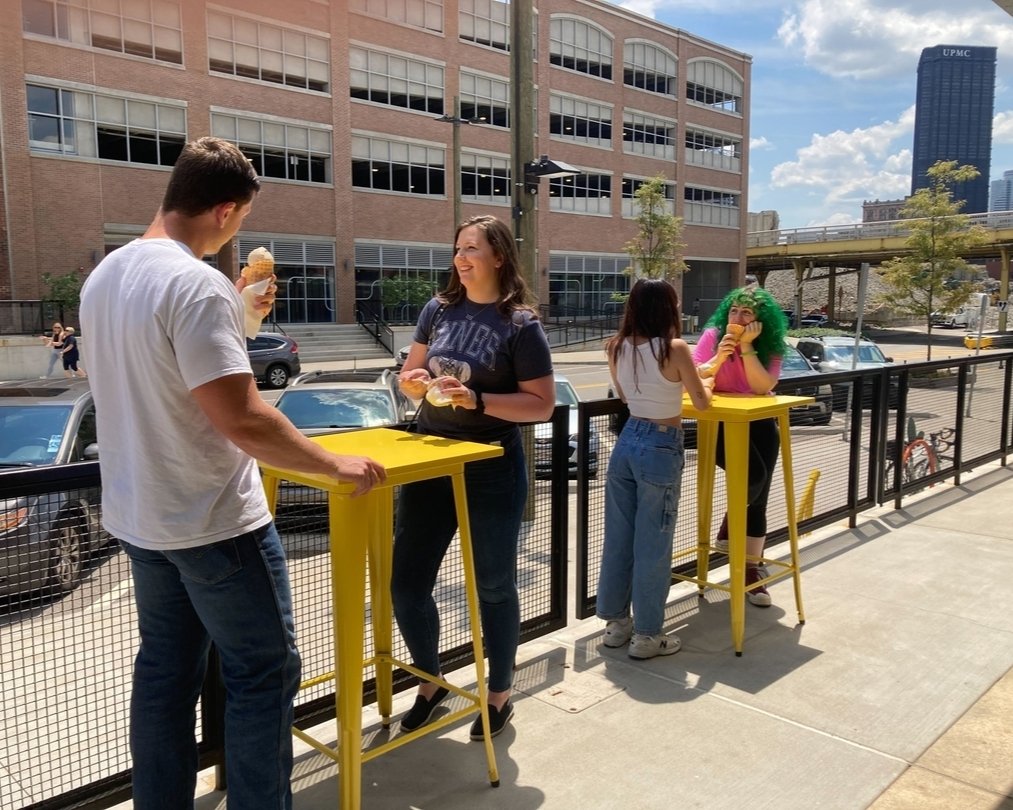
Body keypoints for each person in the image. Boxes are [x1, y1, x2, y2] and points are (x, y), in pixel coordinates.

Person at [79, 136, 386, 810]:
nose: (237, 234)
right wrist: (333, 463)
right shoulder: (194, 282)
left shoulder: (106, 276)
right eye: (241, 220)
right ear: (223, 211)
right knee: (263, 674)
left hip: (141, 519)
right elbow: (242, 419)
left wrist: (241, 320)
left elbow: (153, 375)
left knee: (165, 673)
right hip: (212, 519)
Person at [393, 214, 555, 740]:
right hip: (430, 458)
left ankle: (499, 694)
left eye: (472, 250)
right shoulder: (437, 310)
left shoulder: (520, 325)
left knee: (492, 586)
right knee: (407, 584)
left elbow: (541, 405)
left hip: (490, 466)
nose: (461, 259)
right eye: (458, 248)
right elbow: (407, 379)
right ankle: (431, 679)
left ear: (499, 257)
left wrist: (478, 398)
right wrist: (415, 384)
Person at [596, 279, 713, 659]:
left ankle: (617, 624)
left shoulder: (615, 346)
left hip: (627, 439)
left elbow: (629, 396)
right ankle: (647, 635)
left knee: (619, 537)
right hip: (662, 443)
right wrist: (705, 380)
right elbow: (702, 402)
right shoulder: (674, 347)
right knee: (654, 544)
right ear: (667, 307)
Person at [692, 286, 788, 607]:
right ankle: (727, 531)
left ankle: (750, 572)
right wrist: (721, 353)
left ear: (761, 320)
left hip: (759, 420)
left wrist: (747, 348)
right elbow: (694, 375)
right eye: (734, 311)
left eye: (747, 313)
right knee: (753, 478)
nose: (738, 317)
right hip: (719, 422)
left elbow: (763, 386)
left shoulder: (770, 344)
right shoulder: (712, 336)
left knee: (758, 500)